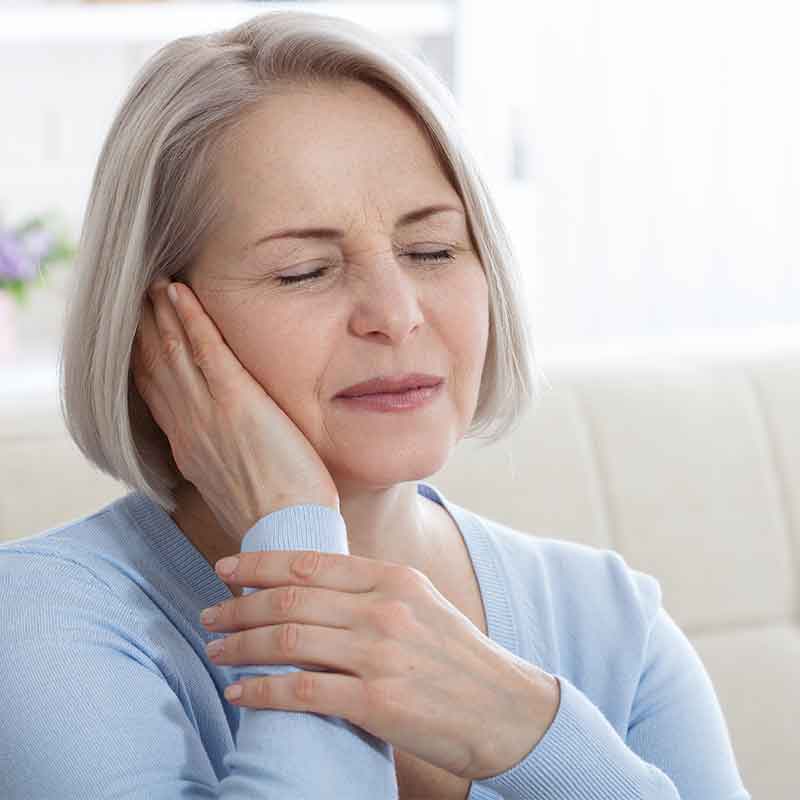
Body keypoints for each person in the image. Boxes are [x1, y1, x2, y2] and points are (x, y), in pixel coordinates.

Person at [0, 10, 750, 800]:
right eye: (303, 271)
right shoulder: (45, 620)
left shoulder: (610, 619)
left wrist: (524, 728)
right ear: (157, 332)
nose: (395, 313)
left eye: (432, 250)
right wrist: (295, 535)